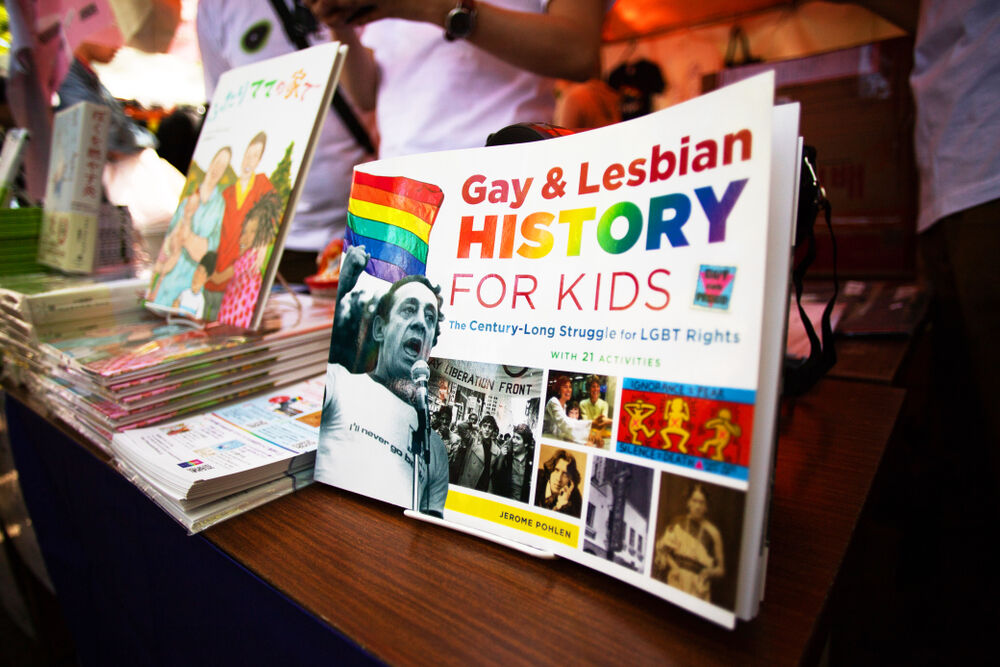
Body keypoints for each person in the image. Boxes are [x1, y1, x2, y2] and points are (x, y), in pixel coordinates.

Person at [197, 0, 371, 282]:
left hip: (376, 223)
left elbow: (372, 92)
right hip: (280, 242)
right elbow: (223, 117)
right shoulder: (217, 7)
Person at [305, 0, 608, 159]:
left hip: (502, 183)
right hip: (400, 189)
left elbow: (578, 53)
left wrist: (426, 7)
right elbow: (366, 95)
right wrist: (338, 20)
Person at [315, 245, 449, 515]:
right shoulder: (339, 383)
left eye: (430, 317)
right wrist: (340, 285)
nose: (421, 323)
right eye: (409, 310)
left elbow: (429, 533)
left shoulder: (434, 447)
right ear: (379, 329)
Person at [148, 146, 231, 308]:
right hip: (168, 278)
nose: (217, 169)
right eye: (217, 162)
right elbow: (172, 243)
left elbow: (210, 251)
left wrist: (187, 238)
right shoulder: (188, 198)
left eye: (223, 166)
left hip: (192, 283)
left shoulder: (220, 205)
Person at [204, 132, 275, 318]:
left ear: (259, 160)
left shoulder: (264, 186)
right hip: (220, 262)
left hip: (242, 271)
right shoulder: (227, 192)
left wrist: (263, 244)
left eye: (255, 156)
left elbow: (272, 217)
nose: (249, 160)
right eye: (247, 154)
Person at [56, 40, 157, 158]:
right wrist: (147, 140)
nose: (119, 46)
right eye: (111, 36)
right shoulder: (71, 80)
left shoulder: (83, 73)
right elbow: (108, 144)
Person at [216, 191, 283, 328]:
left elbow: (221, 278)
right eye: (245, 231)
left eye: (252, 232)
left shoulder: (251, 257)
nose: (246, 236)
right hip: (236, 313)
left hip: (237, 316)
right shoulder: (248, 254)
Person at [653, 483, 725, 602]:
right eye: (694, 500)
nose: (697, 506)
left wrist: (706, 573)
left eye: (701, 502)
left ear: (706, 506)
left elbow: (721, 570)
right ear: (688, 502)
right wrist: (673, 566)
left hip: (698, 585)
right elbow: (663, 550)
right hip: (676, 579)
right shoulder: (677, 524)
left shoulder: (713, 533)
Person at [543, 375, 610, 444]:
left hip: (556, 438)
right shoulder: (553, 402)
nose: (569, 390)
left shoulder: (564, 406)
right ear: (558, 390)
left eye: (570, 387)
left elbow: (571, 423)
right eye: (565, 387)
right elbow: (565, 424)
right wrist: (591, 425)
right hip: (546, 438)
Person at [491, 423, 535, 502]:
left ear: (526, 443)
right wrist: (501, 457)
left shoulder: (532, 461)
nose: (514, 441)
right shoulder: (508, 458)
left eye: (518, 438)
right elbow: (496, 477)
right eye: (513, 437)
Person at [455, 415, 499, 491]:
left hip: (484, 487)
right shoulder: (473, 441)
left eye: (490, 427)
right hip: (468, 485)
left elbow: (494, 473)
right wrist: (474, 426)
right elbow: (461, 426)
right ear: (481, 427)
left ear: (493, 430)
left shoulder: (497, 450)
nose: (487, 429)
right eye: (485, 426)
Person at [534, 448, 582, 516]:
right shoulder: (536, 478)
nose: (559, 479)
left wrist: (562, 504)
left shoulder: (576, 500)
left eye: (565, 474)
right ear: (550, 470)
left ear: (570, 480)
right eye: (556, 470)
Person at [172, 251, 216, 320]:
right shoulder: (184, 293)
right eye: (198, 270)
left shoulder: (201, 300)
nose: (197, 275)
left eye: (202, 273)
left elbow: (197, 320)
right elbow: (174, 310)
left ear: (207, 279)